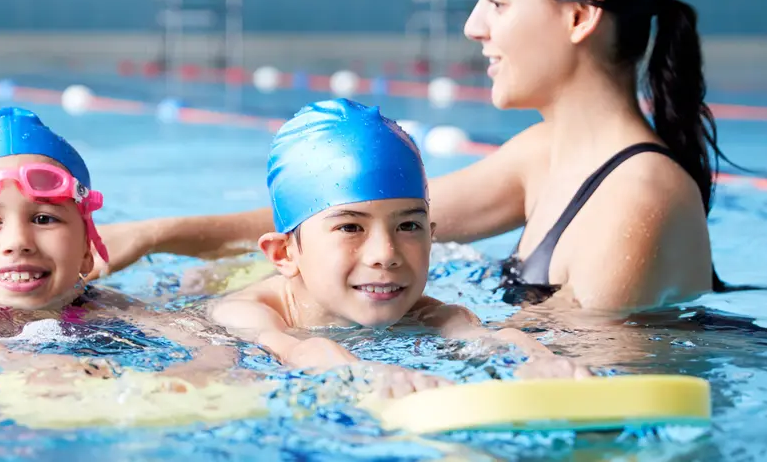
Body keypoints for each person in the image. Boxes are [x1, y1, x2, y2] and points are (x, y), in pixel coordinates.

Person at [91, 0, 732, 314]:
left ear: (578, 16)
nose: (474, 26)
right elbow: (339, 217)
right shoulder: (546, 153)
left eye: (499, 2)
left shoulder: (638, 201)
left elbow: (544, 372)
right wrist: (152, 240)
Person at [207, 99, 588, 396]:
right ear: (284, 254)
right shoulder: (244, 313)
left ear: (431, 235)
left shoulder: (426, 313)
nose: (385, 253)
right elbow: (294, 349)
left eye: (408, 225)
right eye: (350, 227)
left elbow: (476, 335)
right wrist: (360, 372)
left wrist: (535, 357)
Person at [0, 107, 233, 379]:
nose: (18, 242)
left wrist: (196, 372)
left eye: (44, 219)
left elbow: (211, 344)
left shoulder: (111, 309)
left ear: (86, 254)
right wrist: (17, 362)